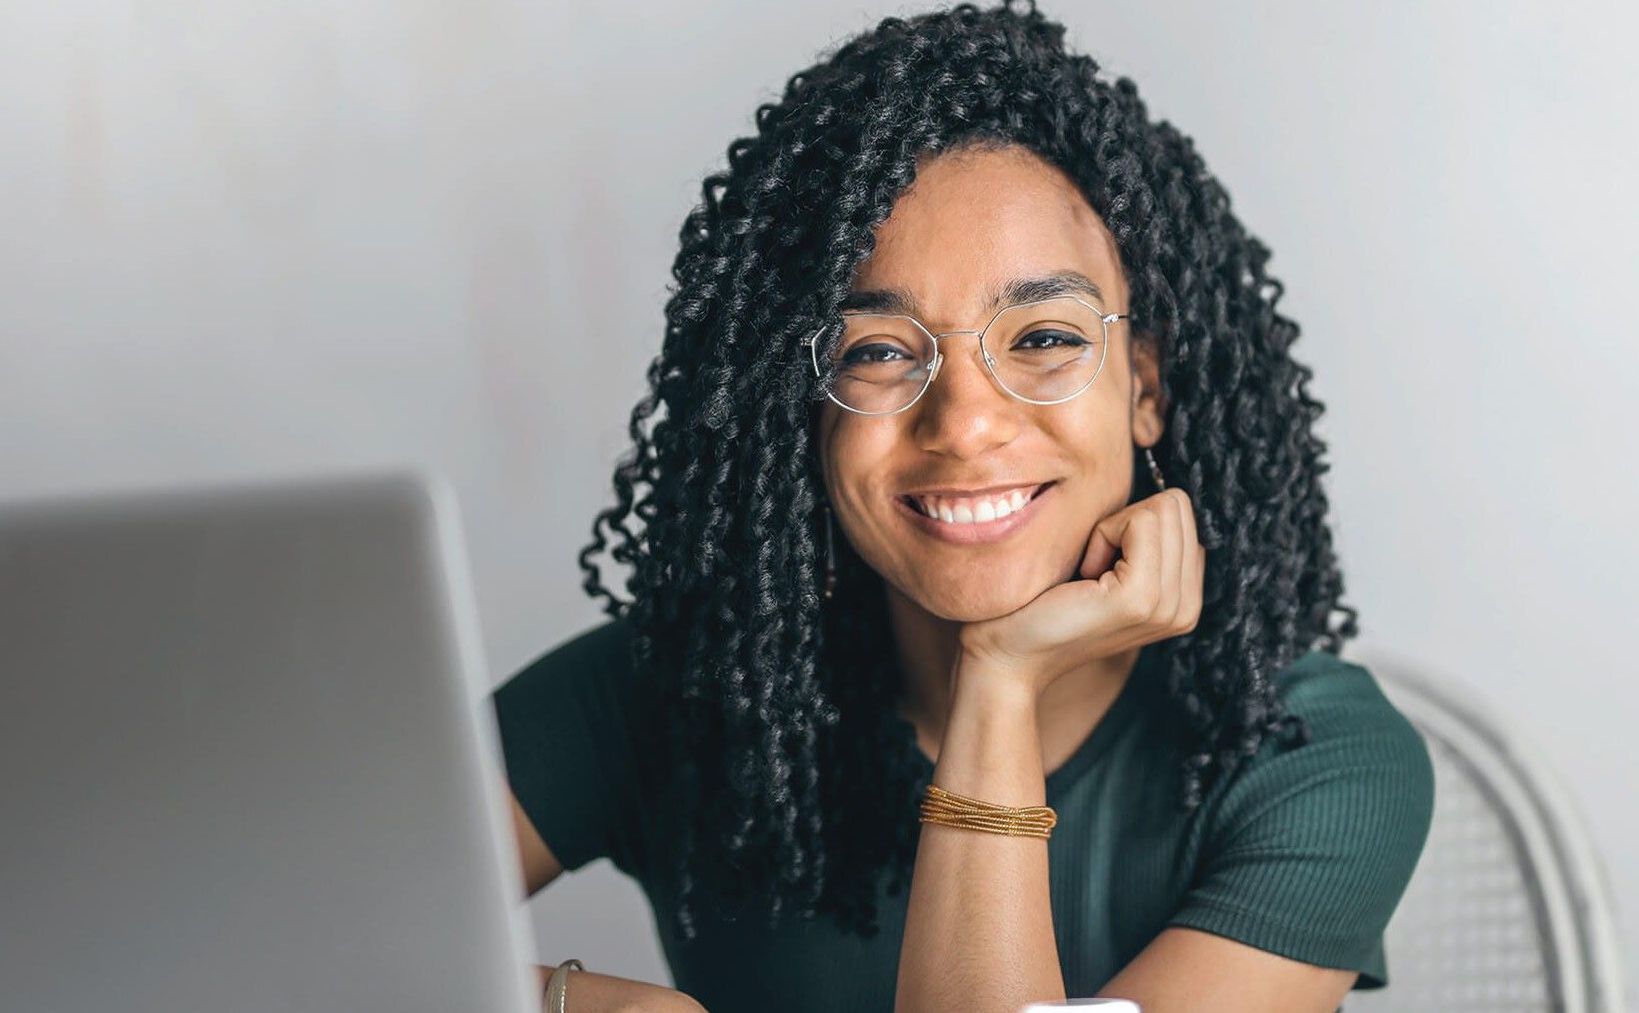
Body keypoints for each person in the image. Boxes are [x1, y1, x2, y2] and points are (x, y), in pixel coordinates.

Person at [493, 3, 1432, 1011]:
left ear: (1145, 386)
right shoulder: (671, 690)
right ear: (801, 409)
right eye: (880, 351)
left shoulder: (1310, 755)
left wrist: (1001, 676)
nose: (966, 423)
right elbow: (311, 925)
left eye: (1043, 338)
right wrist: (586, 1004)